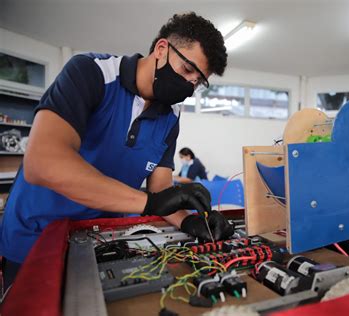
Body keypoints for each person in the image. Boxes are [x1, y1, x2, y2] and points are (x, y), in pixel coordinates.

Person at [0, 12, 234, 291]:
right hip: (35, 236)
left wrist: (191, 222)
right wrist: (148, 203)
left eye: (198, 82)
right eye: (187, 71)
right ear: (161, 49)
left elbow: (160, 192)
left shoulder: (171, 115)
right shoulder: (92, 72)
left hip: (96, 242)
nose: (189, 87)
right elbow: (43, 162)